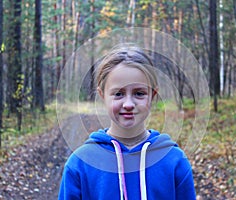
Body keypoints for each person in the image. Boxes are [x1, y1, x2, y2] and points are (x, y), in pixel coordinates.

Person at [58, 45, 196, 200]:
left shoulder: (174, 161)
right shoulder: (80, 164)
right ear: (102, 95)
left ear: (153, 95)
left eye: (139, 93)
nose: (128, 104)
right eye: (118, 94)